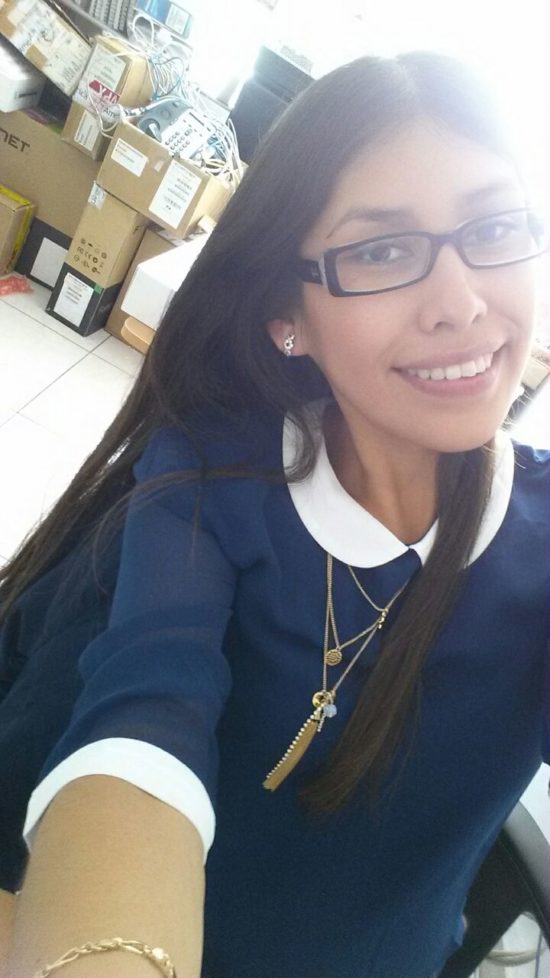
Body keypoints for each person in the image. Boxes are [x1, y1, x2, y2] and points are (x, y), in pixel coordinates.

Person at [0, 50, 549, 978]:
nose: (462, 305)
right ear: (285, 313)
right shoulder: (206, 487)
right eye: (381, 251)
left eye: (495, 228)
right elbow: (140, 728)